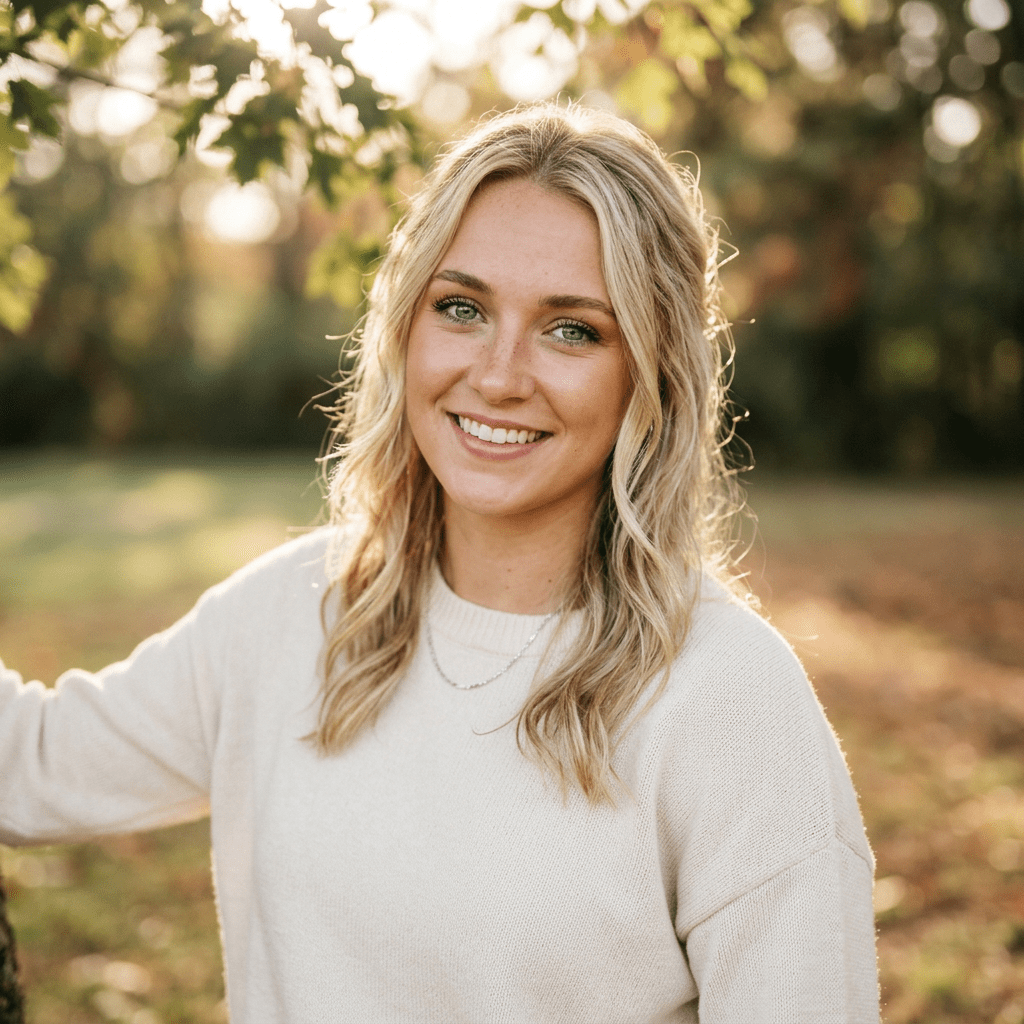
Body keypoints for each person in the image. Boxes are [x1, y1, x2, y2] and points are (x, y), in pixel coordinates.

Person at [0, 102, 880, 1022]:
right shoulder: (291, 614)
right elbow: (27, 767)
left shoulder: (728, 700)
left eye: (571, 328)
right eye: (461, 308)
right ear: (405, 329)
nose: (498, 375)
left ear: (650, 373)